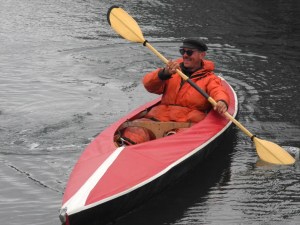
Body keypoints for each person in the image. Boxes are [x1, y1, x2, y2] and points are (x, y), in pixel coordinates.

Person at [121, 37, 230, 145]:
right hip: (158, 118)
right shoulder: (172, 72)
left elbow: (218, 91)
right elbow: (148, 85)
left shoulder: (210, 78)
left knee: (174, 139)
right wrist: (163, 74)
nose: (185, 55)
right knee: (135, 129)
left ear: (202, 55)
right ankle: (126, 150)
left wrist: (222, 101)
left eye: (189, 52)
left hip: (186, 124)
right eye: (183, 51)